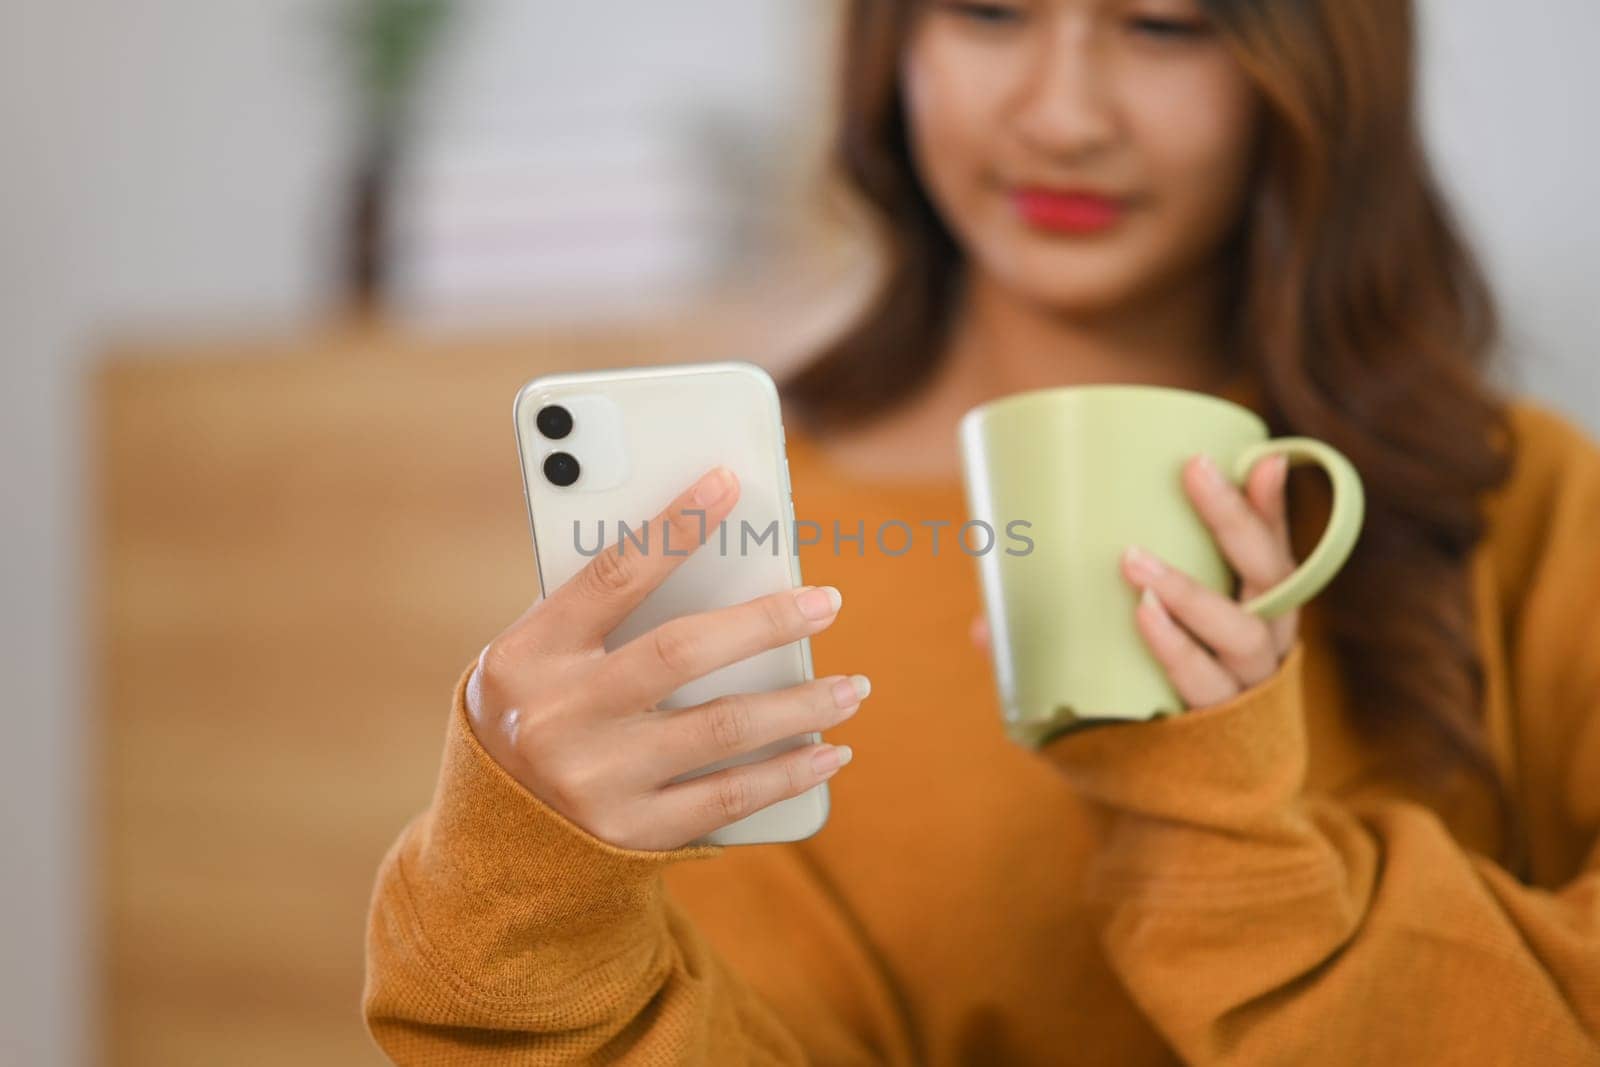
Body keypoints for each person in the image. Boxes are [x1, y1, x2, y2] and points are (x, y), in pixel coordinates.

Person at [363, 1, 1600, 1062]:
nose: (1062, 115)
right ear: (891, 42)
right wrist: (523, 902)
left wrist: (1242, 858)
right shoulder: (736, 544)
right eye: (989, 11)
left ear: (1316, 61)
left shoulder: (1519, 498)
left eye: (1165, 25)